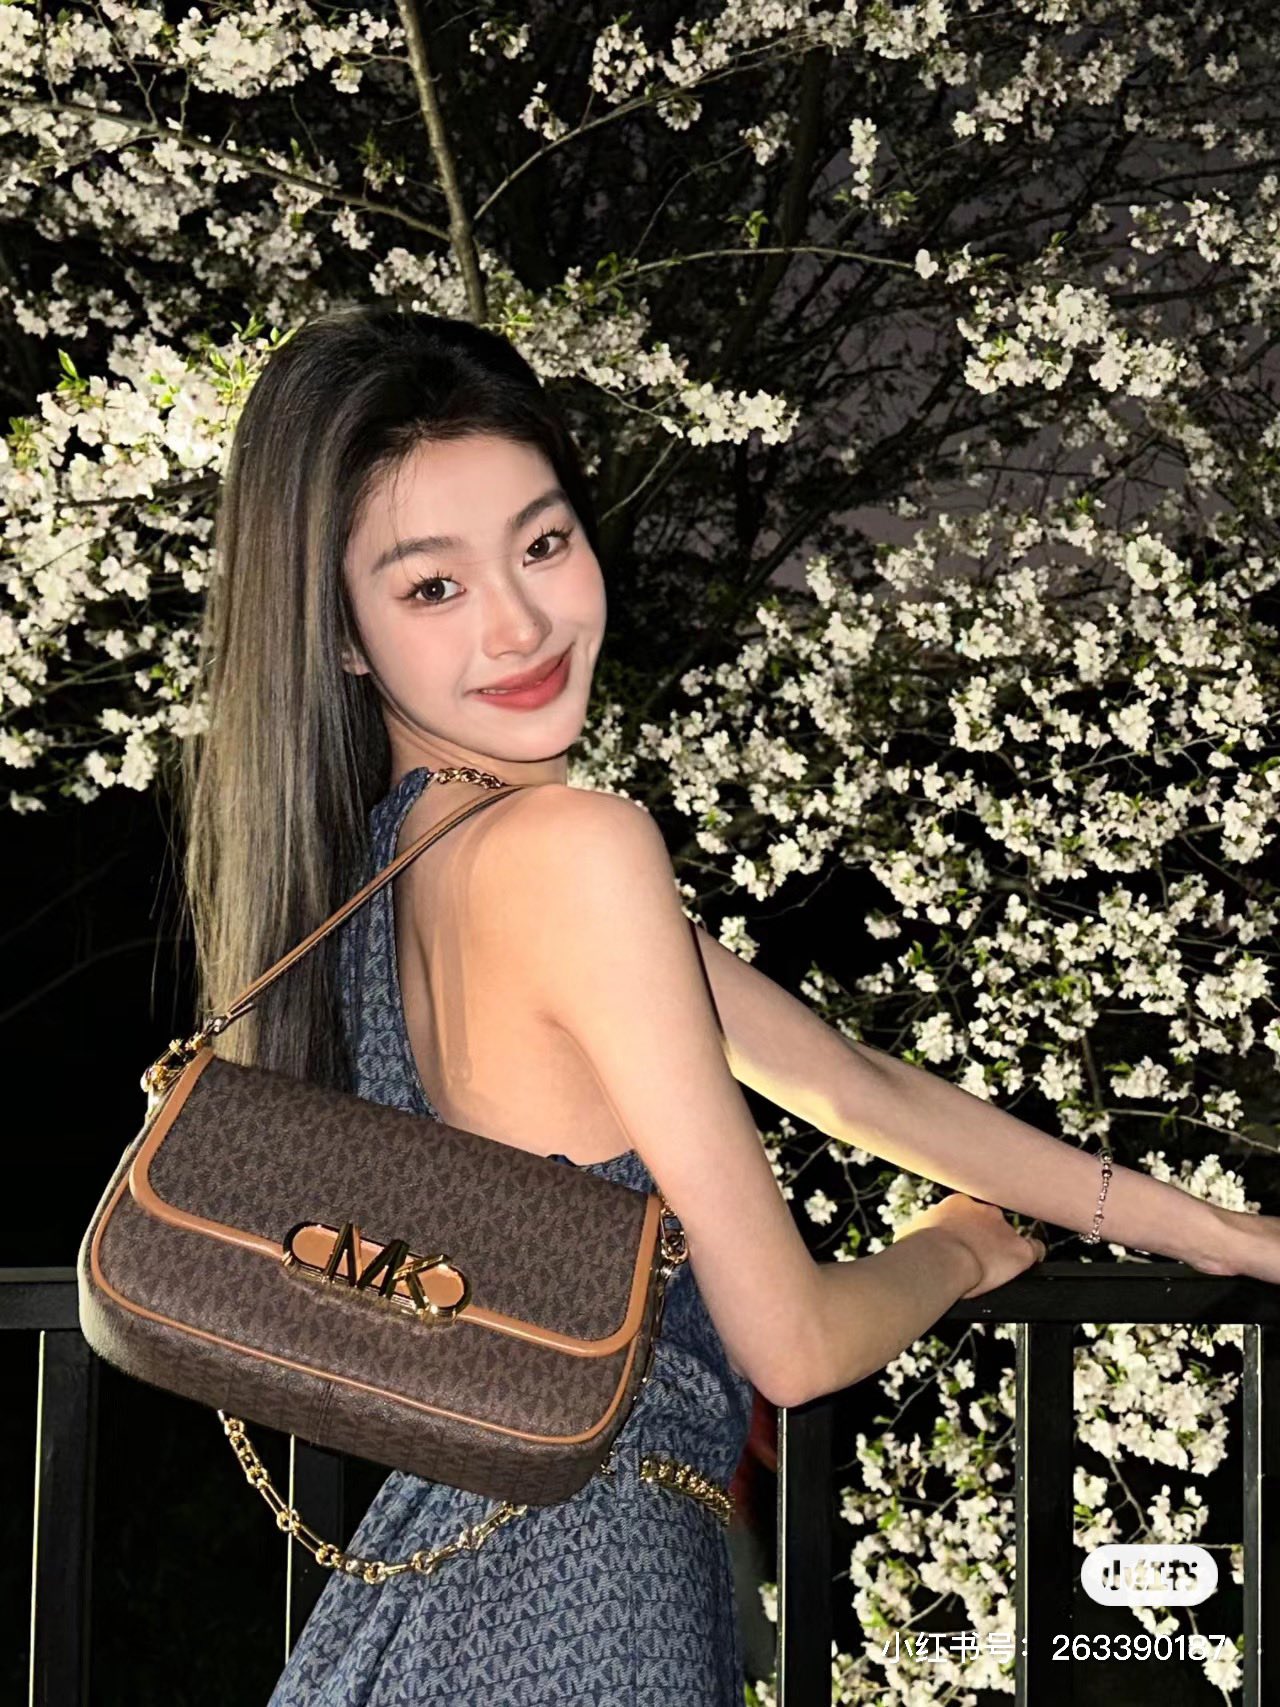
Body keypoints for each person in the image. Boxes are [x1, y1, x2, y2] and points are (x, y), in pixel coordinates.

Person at [180, 304, 1279, 1706]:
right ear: (342, 637)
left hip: (446, 1586)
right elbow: (796, 1344)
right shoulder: (574, 851)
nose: (521, 623)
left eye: (542, 544)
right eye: (433, 587)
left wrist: (1207, 1229)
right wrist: (952, 1252)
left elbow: (849, 1084)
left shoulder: (388, 872)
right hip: (588, 1607)